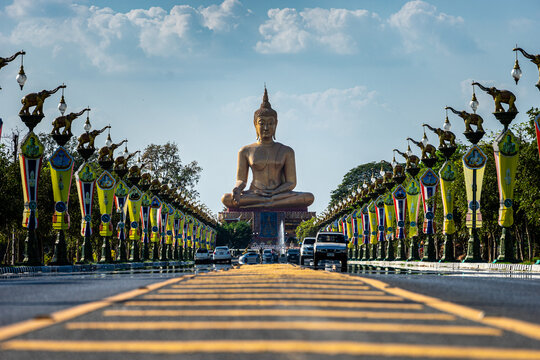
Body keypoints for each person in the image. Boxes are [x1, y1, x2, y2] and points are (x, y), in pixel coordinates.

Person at [221, 88, 314, 209]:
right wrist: (237, 189)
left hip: (280, 194)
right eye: (262, 123)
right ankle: (269, 202)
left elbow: (291, 182)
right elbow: (241, 180)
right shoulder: (245, 151)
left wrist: (275, 192)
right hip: (255, 193)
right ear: (255, 124)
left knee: (308, 197)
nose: (266, 127)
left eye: (270, 123)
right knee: (226, 198)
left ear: (276, 124)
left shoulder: (286, 151)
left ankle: (269, 202)